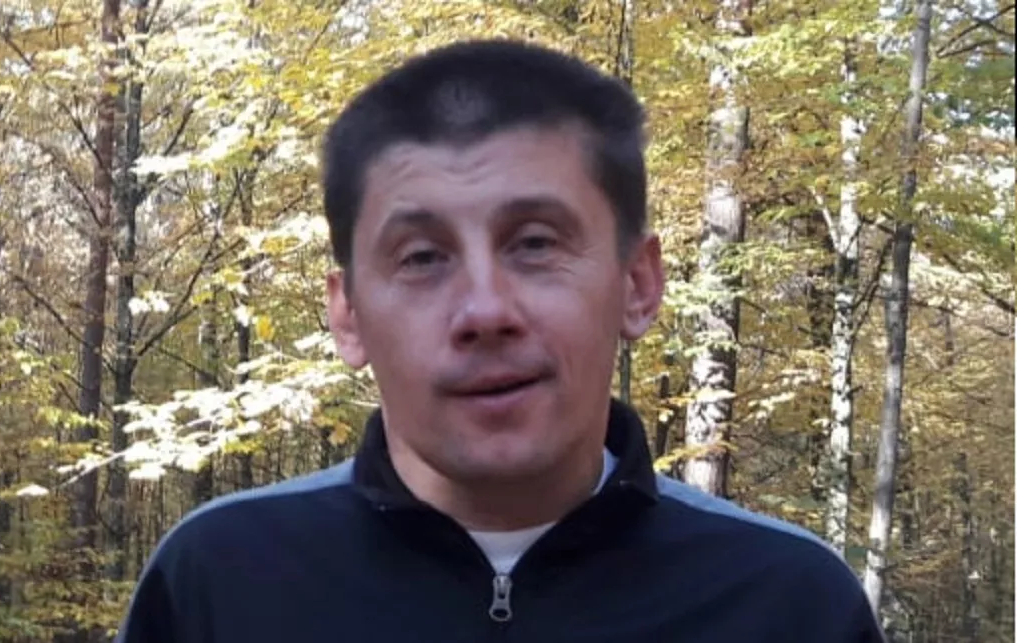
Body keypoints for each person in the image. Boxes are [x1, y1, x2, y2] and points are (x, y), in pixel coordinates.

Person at [116, 39, 886, 642]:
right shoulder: (220, 582)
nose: (485, 310)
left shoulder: (789, 603)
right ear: (348, 315)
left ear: (637, 284)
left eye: (536, 243)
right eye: (422, 257)